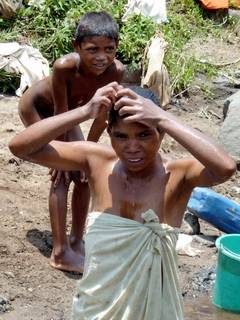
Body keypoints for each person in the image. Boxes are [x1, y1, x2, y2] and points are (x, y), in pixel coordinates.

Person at [9, 83, 236, 319]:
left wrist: (162, 116)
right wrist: (85, 111)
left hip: (154, 310)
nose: (132, 148)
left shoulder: (178, 175)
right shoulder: (97, 161)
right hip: (95, 309)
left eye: (144, 134)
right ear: (109, 133)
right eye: (121, 136)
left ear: (162, 132)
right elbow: (20, 147)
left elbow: (225, 167)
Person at [18, 11, 124, 273]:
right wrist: (62, 157)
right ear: (76, 46)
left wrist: (90, 151)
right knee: (63, 173)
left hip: (68, 116)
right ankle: (60, 251)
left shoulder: (115, 71)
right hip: (40, 111)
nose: (101, 57)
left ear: (117, 47)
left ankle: (77, 241)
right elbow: (60, 113)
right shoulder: (64, 66)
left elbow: (101, 116)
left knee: (86, 171)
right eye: (92, 49)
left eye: (109, 49)